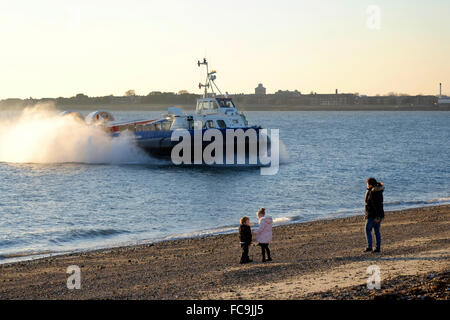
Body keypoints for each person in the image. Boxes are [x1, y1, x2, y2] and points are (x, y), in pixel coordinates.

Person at [364, 178, 385, 253]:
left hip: (373, 215)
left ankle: (370, 247)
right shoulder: (377, 191)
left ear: (370, 184)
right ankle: (377, 247)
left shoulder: (373, 193)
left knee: (368, 230)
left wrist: (377, 217)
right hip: (374, 214)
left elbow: (376, 206)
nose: (366, 185)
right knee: (376, 231)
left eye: (367, 184)